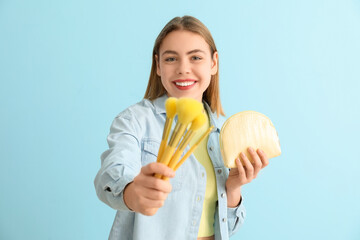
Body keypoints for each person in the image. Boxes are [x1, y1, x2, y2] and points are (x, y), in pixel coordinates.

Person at [94, 16, 269, 240]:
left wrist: (233, 187)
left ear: (213, 63)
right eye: (171, 59)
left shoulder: (222, 133)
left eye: (195, 57)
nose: (183, 69)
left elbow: (225, 228)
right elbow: (110, 175)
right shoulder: (135, 121)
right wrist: (132, 192)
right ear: (158, 65)